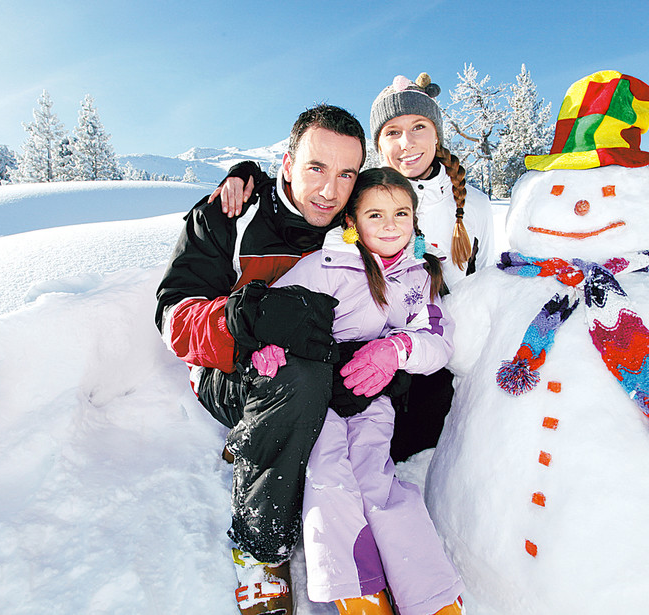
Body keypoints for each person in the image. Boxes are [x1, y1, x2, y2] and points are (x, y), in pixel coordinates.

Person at [212, 72, 495, 462]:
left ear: (437, 134)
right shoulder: (359, 194)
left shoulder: (474, 205)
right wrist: (245, 172)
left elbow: (486, 278)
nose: (407, 143)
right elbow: (312, 186)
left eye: (419, 128)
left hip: (431, 344)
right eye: (392, 132)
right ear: (378, 146)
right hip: (367, 337)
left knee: (414, 444)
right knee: (335, 430)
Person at [155, 104, 366, 615]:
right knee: (299, 379)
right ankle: (258, 544)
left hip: (321, 360)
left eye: (346, 174)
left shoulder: (356, 222)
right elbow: (172, 319)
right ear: (287, 163)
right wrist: (244, 322)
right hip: (228, 372)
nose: (329, 191)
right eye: (316, 167)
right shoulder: (229, 216)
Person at [251, 167, 465, 615]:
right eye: (376, 214)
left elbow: (437, 342)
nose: (390, 225)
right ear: (352, 222)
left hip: (370, 391)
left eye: (401, 213)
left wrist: (396, 349)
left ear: (415, 219)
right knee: (328, 473)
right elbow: (275, 311)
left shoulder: (420, 275)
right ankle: (358, 590)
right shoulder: (326, 265)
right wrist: (267, 350)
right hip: (317, 393)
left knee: (375, 477)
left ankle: (430, 596)